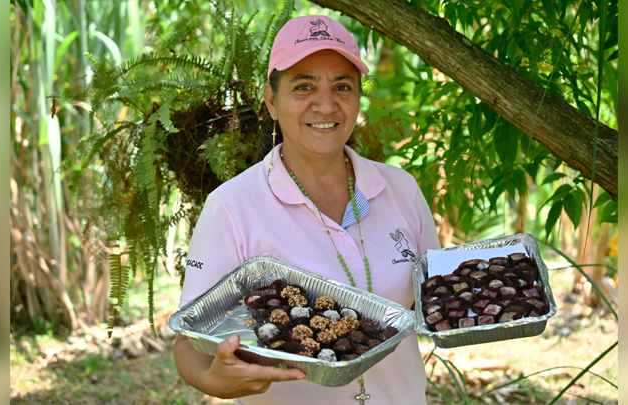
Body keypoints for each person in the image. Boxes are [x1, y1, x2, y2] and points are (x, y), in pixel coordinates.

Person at [173, 14, 441, 405]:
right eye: (304, 86)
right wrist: (214, 380)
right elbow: (188, 342)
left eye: (343, 86)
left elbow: (432, 302)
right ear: (271, 100)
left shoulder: (400, 189)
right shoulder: (231, 207)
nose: (326, 105)